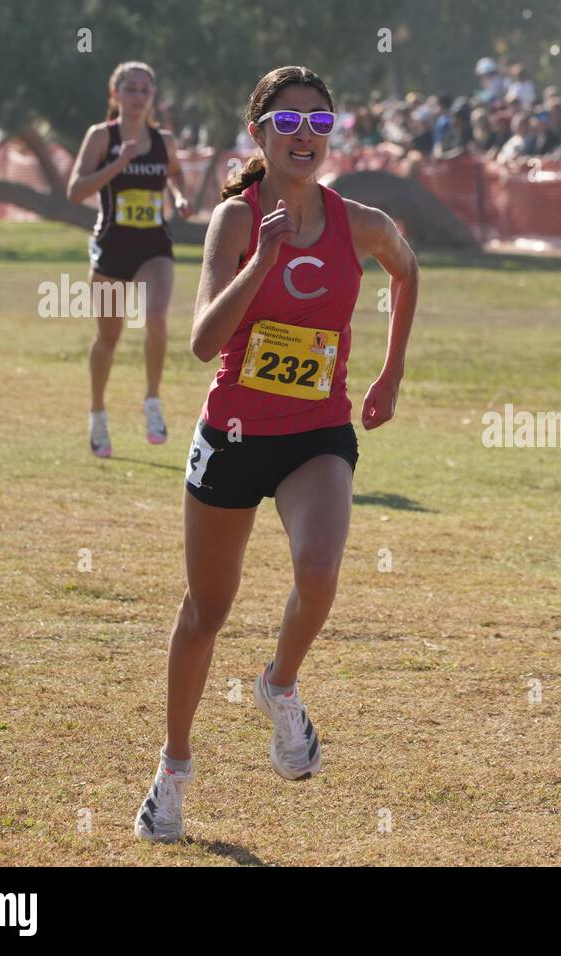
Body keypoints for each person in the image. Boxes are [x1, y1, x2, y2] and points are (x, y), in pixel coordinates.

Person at [133, 65, 419, 842]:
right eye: (289, 123)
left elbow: (406, 268)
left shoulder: (359, 221)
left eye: (320, 125)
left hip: (316, 433)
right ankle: (173, 770)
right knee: (207, 610)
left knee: (320, 567)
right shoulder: (235, 220)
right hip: (232, 435)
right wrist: (259, 261)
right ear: (258, 132)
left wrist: (390, 372)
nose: (305, 137)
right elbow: (200, 343)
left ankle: (279, 686)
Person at [67, 61, 191, 457]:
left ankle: (152, 400)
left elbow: (175, 174)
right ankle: (97, 413)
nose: (139, 96)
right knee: (109, 338)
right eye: (131, 89)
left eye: (145, 89)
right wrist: (118, 164)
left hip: (154, 246)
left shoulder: (164, 140)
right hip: (112, 247)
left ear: (152, 97)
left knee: (156, 317)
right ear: (115, 94)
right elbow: (74, 191)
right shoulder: (101, 137)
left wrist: (180, 196)